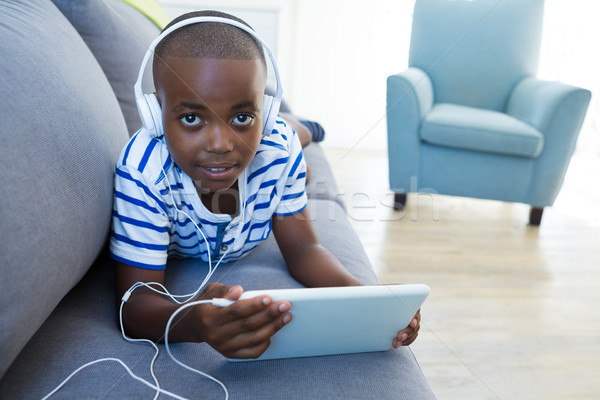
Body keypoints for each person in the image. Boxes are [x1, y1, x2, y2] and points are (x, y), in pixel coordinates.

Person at [110, 10, 420, 360]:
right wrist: (192, 321)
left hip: (278, 139)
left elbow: (304, 251)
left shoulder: (276, 148)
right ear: (155, 113)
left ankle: (305, 129)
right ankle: (294, 127)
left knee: (292, 140)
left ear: (265, 113)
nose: (219, 144)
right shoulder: (143, 171)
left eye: (242, 117)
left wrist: (368, 300)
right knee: (282, 149)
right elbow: (134, 306)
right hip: (263, 142)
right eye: (191, 118)